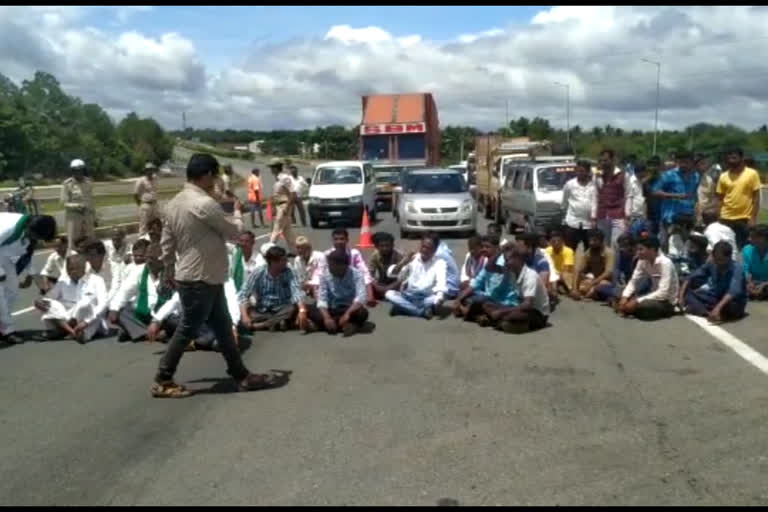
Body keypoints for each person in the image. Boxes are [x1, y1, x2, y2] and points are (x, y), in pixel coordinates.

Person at [153, 152, 290, 399]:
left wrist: (169, 270)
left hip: (197, 275)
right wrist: (236, 211)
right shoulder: (204, 204)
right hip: (202, 277)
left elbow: (167, 242)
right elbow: (234, 232)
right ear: (206, 175)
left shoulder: (173, 203)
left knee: (223, 327)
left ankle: (240, 375)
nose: (216, 180)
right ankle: (163, 378)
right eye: (214, 175)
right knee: (187, 329)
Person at [0, 213, 57, 344]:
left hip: (2, 254)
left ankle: (2, 325)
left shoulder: (30, 230)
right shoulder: (8, 227)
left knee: (12, 289)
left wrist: (42, 287)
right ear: (29, 226)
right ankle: (7, 330)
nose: (34, 238)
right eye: (34, 235)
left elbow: (26, 258)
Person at [34, 254, 109, 343]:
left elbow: (103, 304)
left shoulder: (97, 280)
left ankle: (74, 333)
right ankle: (72, 331)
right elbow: (48, 299)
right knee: (50, 303)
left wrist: (86, 321)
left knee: (85, 304)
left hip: (89, 318)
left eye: (74, 269)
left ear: (83, 268)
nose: (70, 272)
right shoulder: (63, 283)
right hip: (66, 317)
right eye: (68, 269)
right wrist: (41, 303)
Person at [108, 243, 174, 342]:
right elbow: (125, 291)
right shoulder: (139, 271)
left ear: (161, 260)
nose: (149, 261)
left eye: (153, 258)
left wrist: (159, 318)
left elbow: (175, 300)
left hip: (164, 316)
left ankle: (137, 332)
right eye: (147, 258)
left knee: (175, 319)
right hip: (144, 314)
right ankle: (149, 334)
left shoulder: (170, 272)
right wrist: (114, 309)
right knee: (122, 311)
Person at [238, 245, 308, 332]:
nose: (286, 262)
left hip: (283, 307)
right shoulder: (259, 272)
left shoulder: (289, 271)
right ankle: (278, 322)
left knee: (292, 308)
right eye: (283, 260)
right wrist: (245, 316)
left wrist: (302, 310)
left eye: (286, 259)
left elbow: (296, 292)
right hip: (263, 310)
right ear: (272, 261)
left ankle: (261, 325)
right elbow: (243, 294)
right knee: (242, 317)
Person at [482, 245, 550, 334]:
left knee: (512, 315)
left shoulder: (530, 276)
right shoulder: (512, 271)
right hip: (520, 308)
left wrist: (501, 312)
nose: (505, 263)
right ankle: (503, 323)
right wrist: (501, 251)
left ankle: (499, 322)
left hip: (537, 313)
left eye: (508, 260)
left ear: (518, 259)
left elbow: (528, 304)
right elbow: (489, 267)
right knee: (486, 304)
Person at [307, 248, 371, 337]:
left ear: (343, 265)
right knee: (311, 309)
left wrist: (347, 314)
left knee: (362, 313)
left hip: (349, 307)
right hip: (332, 308)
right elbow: (322, 298)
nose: (329, 267)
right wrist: (327, 318)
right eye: (329, 265)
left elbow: (361, 297)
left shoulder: (357, 274)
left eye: (331, 265)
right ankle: (348, 326)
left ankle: (323, 327)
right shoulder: (325, 274)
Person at [453, 235, 516, 324]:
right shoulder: (488, 264)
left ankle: (469, 313)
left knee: (478, 301)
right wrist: (458, 300)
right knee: (464, 292)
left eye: (487, 247)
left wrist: (501, 251)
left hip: (502, 301)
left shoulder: (503, 262)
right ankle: (477, 315)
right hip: (487, 297)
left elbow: (495, 292)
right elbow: (475, 284)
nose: (483, 249)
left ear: (496, 248)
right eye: (482, 247)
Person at [680, 241, 747, 324]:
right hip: (714, 297)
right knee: (689, 294)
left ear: (729, 257)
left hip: (732, 301)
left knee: (732, 307)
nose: (719, 262)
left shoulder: (737, 268)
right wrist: (681, 297)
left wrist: (718, 308)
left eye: (722, 260)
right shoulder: (712, 263)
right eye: (717, 259)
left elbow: (733, 292)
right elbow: (690, 277)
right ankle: (708, 313)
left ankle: (710, 311)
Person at [617, 236, 679, 321]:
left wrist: (637, 301)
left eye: (641, 249)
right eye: (637, 249)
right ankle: (628, 308)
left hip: (665, 300)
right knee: (619, 292)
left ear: (652, 249)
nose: (638, 252)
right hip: (651, 294)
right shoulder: (642, 260)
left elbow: (663, 293)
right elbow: (634, 281)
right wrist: (624, 296)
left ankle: (628, 309)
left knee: (645, 306)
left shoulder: (665, 263)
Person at [385, 235, 448, 319]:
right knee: (389, 294)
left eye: (428, 248)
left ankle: (402, 309)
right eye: (423, 246)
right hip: (408, 296)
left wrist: (439, 298)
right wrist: (403, 262)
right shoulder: (413, 258)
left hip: (425, 298)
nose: (424, 250)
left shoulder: (440, 263)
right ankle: (420, 312)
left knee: (440, 297)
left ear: (435, 250)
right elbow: (392, 274)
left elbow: (441, 282)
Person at [313, 228, 376, 305]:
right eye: (336, 239)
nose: (339, 242)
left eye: (342, 239)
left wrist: (370, 296)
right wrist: (317, 298)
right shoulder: (327, 254)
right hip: (333, 288)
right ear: (332, 241)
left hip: (351, 287)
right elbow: (318, 275)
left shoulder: (354, 253)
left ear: (347, 240)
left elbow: (364, 273)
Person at [716, 147, 762, 249]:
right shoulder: (723, 176)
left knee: (745, 248)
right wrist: (718, 216)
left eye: (734, 157)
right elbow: (720, 199)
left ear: (741, 158)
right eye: (728, 158)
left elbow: (756, 198)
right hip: (726, 218)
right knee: (726, 249)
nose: (731, 160)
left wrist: (753, 218)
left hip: (744, 219)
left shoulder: (752, 174)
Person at [652, 150, 700, 248]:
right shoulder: (669, 175)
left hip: (688, 218)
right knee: (665, 247)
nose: (683, 165)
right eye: (681, 162)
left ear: (692, 162)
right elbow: (655, 192)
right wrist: (675, 196)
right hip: (670, 219)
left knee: (686, 248)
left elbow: (695, 196)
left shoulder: (696, 176)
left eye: (686, 162)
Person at [592, 148, 635, 249]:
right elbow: (595, 196)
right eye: (601, 160)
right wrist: (593, 217)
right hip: (602, 215)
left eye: (606, 160)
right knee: (603, 246)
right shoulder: (598, 176)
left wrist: (628, 215)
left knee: (616, 245)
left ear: (612, 160)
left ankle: (615, 265)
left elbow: (629, 195)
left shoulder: (624, 175)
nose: (603, 163)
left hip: (618, 215)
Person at [592, 233, 640, 304]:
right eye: (620, 248)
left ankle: (616, 298)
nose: (622, 251)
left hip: (635, 288)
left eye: (624, 248)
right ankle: (615, 297)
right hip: (623, 287)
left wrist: (626, 289)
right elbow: (616, 272)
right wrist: (617, 285)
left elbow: (639, 281)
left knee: (622, 294)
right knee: (598, 288)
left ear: (632, 247)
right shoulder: (621, 255)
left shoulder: (639, 259)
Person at [60, 159, 94, 252]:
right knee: (73, 245)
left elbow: (90, 201)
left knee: (90, 243)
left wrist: (94, 217)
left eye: (80, 170)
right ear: (72, 171)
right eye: (75, 170)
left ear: (83, 170)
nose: (78, 172)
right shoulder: (67, 184)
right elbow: (63, 203)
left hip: (87, 217)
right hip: (73, 218)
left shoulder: (89, 182)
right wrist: (76, 206)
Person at [571, 229, 615, 301]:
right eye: (590, 240)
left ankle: (592, 293)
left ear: (601, 241)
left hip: (606, 282)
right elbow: (578, 269)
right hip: (593, 280)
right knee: (569, 276)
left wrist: (591, 284)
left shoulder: (609, 253)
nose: (591, 243)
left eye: (594, 240)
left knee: (598, 287)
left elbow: (608, 273)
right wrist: (574, 289)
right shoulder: (589, 252)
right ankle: (577, 291)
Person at [561, 160, 595, 251]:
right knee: (570, 250)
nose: (580, 173)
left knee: (590, 251)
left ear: (588, 172)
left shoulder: (594, 185)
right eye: (578, 171)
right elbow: (564, 202)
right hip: (572, 223)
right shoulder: (570, 184)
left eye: (582, 171)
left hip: (589, 224)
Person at [268, 158, 298, 252]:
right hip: (279, 206)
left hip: (284, 205)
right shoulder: (277, 179)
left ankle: (268, 249)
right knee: (287, 231)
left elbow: (293, 194)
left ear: (276, 168)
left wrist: (287, 207)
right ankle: (295, 251)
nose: (271, 170)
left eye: (272, 167)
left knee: (276, 229)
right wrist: (273, 207)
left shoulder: (285, 178)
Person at [368, 232, 405, 299]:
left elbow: (402, 278)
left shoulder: (399, 256)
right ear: (376, 246)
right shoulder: (375, 255)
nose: (385, 248)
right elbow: (370, 274)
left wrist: (387, 288)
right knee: (366, 284)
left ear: (392, 245)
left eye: (387, 245)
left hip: (396, 283)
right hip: (382, 284)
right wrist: (376, 286)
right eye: (382, 246)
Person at [638, 155, 664, 236]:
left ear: (659, 166)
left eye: (655, 165)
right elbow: (645, 199)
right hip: (650, 217)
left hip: (663, 216)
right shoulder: (646, 182)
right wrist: (645, 217)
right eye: (650, 165)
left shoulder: (665, 179)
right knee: (649, 239)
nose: (652, 168)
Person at [544, 229, 575, 295]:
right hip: (552, 275)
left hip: (565, 274)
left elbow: (567, 269)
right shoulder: (547, 251)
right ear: (550, 242)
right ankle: (554, 290)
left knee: (565, 275)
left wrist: (556, 275)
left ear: (563, 242)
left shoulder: (568, 251)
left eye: (558, 241)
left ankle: (571, 290)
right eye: (554, 241)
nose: (556, 243)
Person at [742, 224, 768, 300]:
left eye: (753, 237)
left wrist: (764, 284)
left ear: (763, 238)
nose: (749, 239)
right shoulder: (747, 249)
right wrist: (749, 283)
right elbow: (746, 270)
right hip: (754, 282)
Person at [134, 163, 160, 237]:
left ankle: (154, 242)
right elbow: (135, 194)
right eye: (149, 170)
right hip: (145, 205)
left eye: (152, 170)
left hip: (155, 204)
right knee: (144, 225)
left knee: (156, 223)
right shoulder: (141, 180)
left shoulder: (155, 179)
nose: (150, 172)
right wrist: (140, 205)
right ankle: (142, 242)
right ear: (145, 171)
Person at [695, 154, 717, 226]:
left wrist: (707, 209)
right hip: (688, 217)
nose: (704, 166)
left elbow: (714, 199)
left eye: (704, 163)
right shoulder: (687, 178)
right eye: (701, 163)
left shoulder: (709, 180)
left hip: (704, 219)